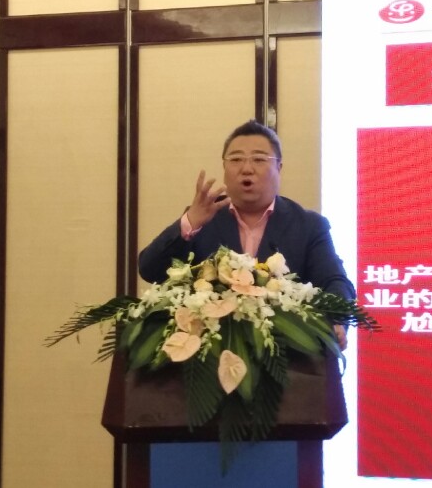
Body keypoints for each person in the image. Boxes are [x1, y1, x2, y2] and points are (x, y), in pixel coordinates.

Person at [138, 120, 356, 349]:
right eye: (236, 159)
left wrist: (335, 321)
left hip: (286, 354)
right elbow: (149, 269)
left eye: (259, 159)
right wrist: (190, 222)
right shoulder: (202, 219)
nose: (246, 168)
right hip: (211, 351)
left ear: (279, 167)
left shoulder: (308, 225)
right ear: (224, 169)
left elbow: (335, 281)